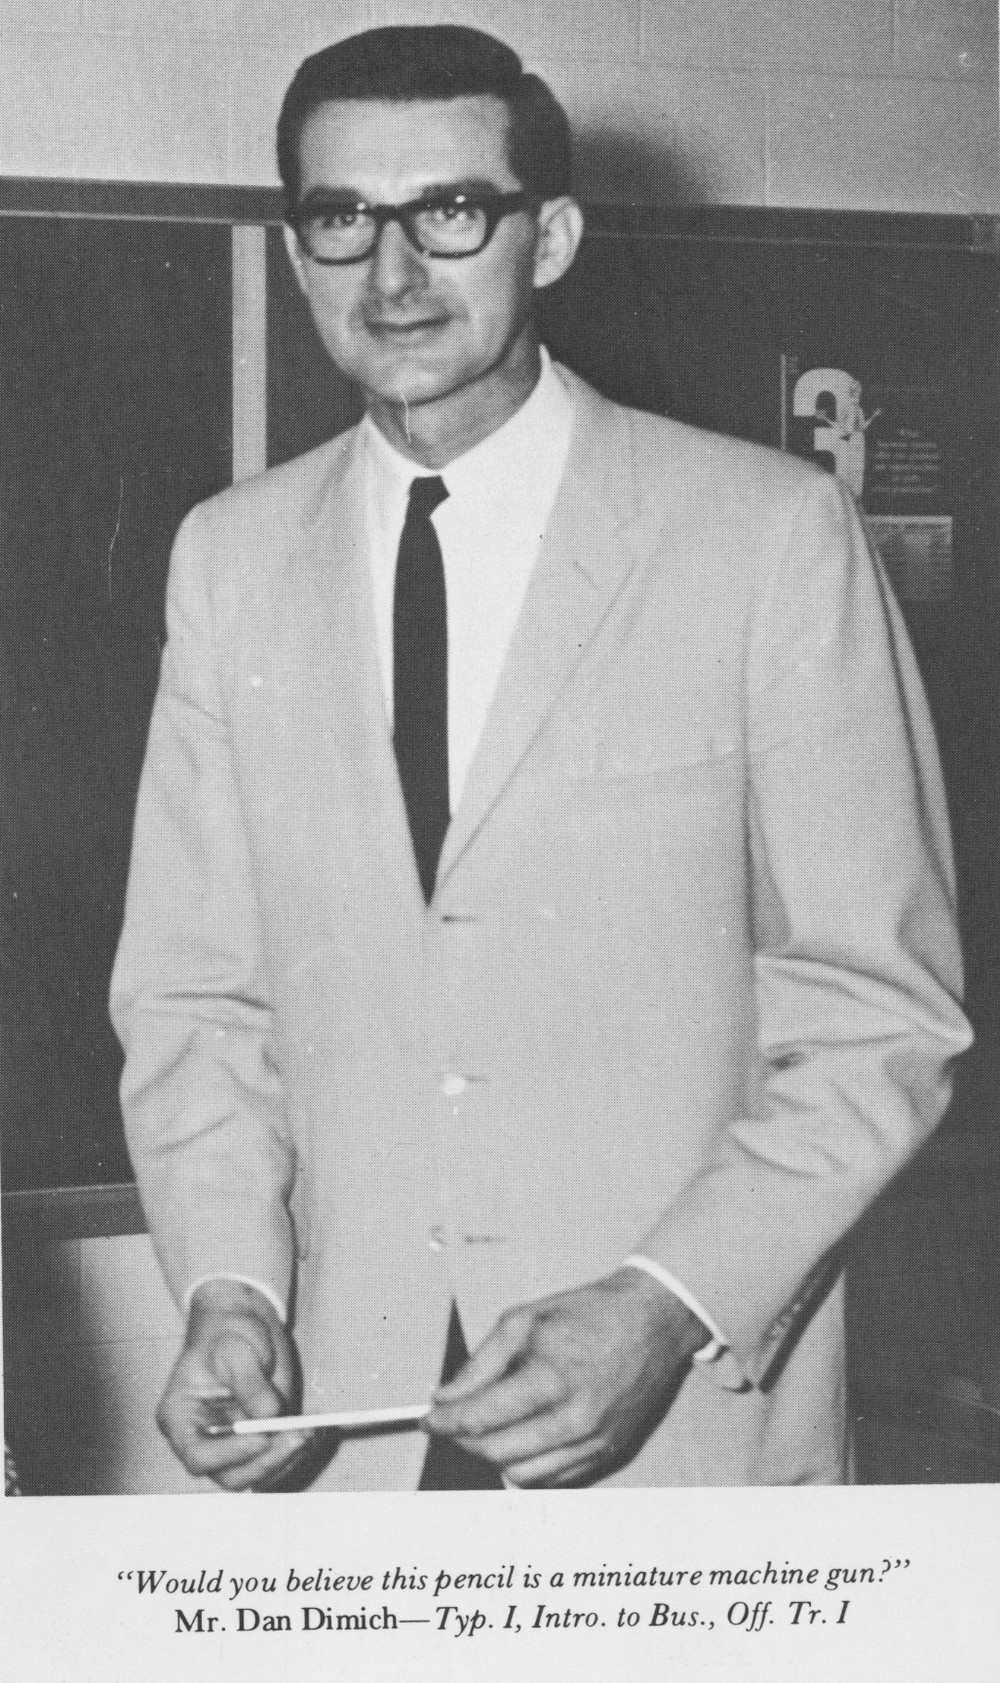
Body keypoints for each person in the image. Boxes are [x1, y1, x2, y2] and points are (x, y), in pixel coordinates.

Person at [110, 24, 970, 1492]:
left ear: (551, 237)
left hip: (674, 1424)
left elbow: (879, 1013)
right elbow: (198, 996)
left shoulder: (765, 536)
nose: (394, 273)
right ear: (298, 251)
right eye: (343, 218)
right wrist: (229, 1288)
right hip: (347, 1434)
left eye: (451, 211)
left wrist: (665, 1305)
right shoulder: (229, 557)